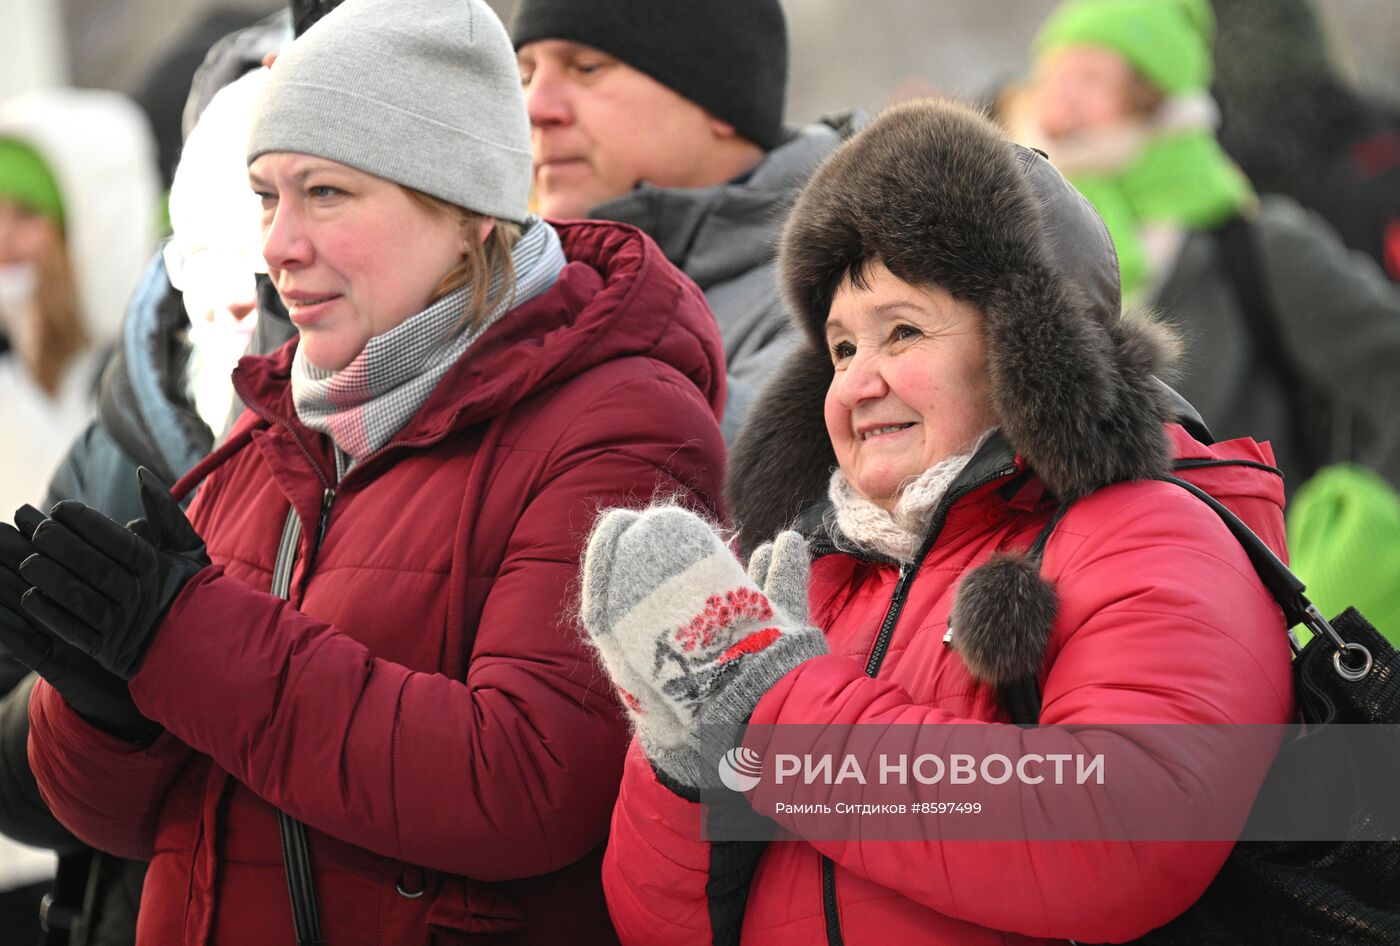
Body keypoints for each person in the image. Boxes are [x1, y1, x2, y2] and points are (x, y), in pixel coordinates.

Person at [3, 2, 726, 945]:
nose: (278, 246)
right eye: (267, 196)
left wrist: (182, 643)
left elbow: (534, 785)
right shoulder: (275, 429)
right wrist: (106, 712)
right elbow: (124, 829)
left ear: (465, 208)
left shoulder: (619, 422)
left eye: (327, 194)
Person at [575, 99, 1294, 944]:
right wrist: (689, 763)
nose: (855, 383)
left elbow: (1121, 835)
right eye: (841, 348)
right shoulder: (818, 573)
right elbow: (657, 927)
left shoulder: (1149, 535)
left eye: (903, 331)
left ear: (1028, 347)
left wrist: (771, 706)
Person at [1003, 0, 1400, 493]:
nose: (1062, 98)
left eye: (1090, 77)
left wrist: (1363, 531)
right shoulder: (1024, 244)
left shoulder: (1258, 244)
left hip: (1265, 558)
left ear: (1151, 92)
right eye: (1051, 74)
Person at [511, 0, 862, 441]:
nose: (534, 107)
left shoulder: (856, 274)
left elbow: (763, 474)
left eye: (586, 68)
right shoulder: (525, 276)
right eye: (524, 76)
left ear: (720, 97)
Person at [0, 88, 160, 517]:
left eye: (27, 214)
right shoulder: (15, 349)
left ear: (88, 232)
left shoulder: (137, 374)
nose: (3, 235)